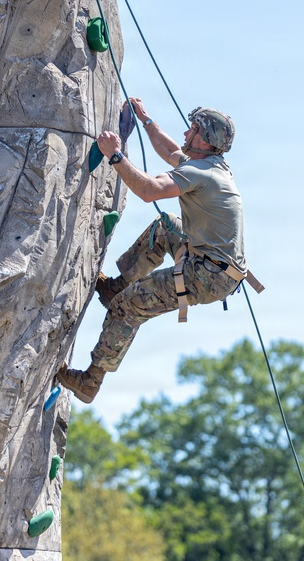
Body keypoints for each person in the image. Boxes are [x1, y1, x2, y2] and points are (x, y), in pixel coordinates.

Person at [56, 97, 252, 403]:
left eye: (193, 130)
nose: (187, 134)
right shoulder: (210, 165)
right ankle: (115, 288)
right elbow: (170, 150)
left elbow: (149, 191)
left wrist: (115, 155)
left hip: (206, 275)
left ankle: (90, 381)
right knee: (165, 226)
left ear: (206, 140)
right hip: (211, 264)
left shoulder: (202, 174)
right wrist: (146, 119)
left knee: (129, 307)